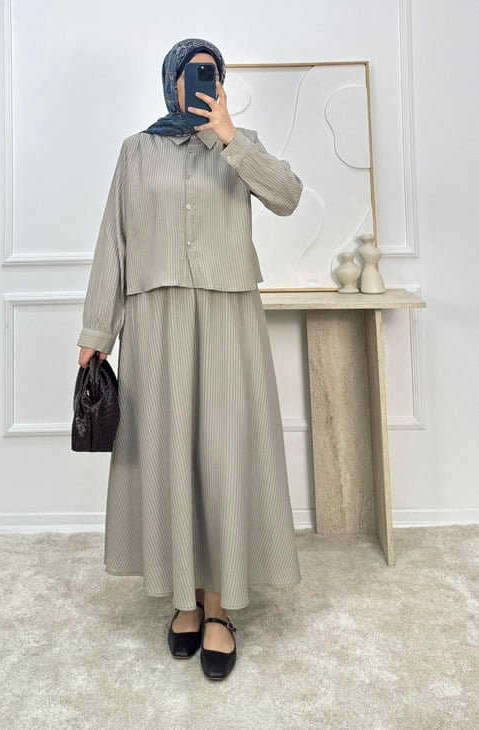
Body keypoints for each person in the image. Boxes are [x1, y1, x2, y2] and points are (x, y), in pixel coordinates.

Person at [77, 38, 303, 681]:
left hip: (229, 318)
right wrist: (97, 331)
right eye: (191, 73)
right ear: (171, 82)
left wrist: (229, 137)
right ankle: (183, 599)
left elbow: (288, 197)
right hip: (155, 321)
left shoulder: (241, 144)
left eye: (212, 73)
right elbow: (114, 242)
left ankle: (219, 606)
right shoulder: (136, 150)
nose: (201, 83)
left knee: (222, 456)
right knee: (169, 453)